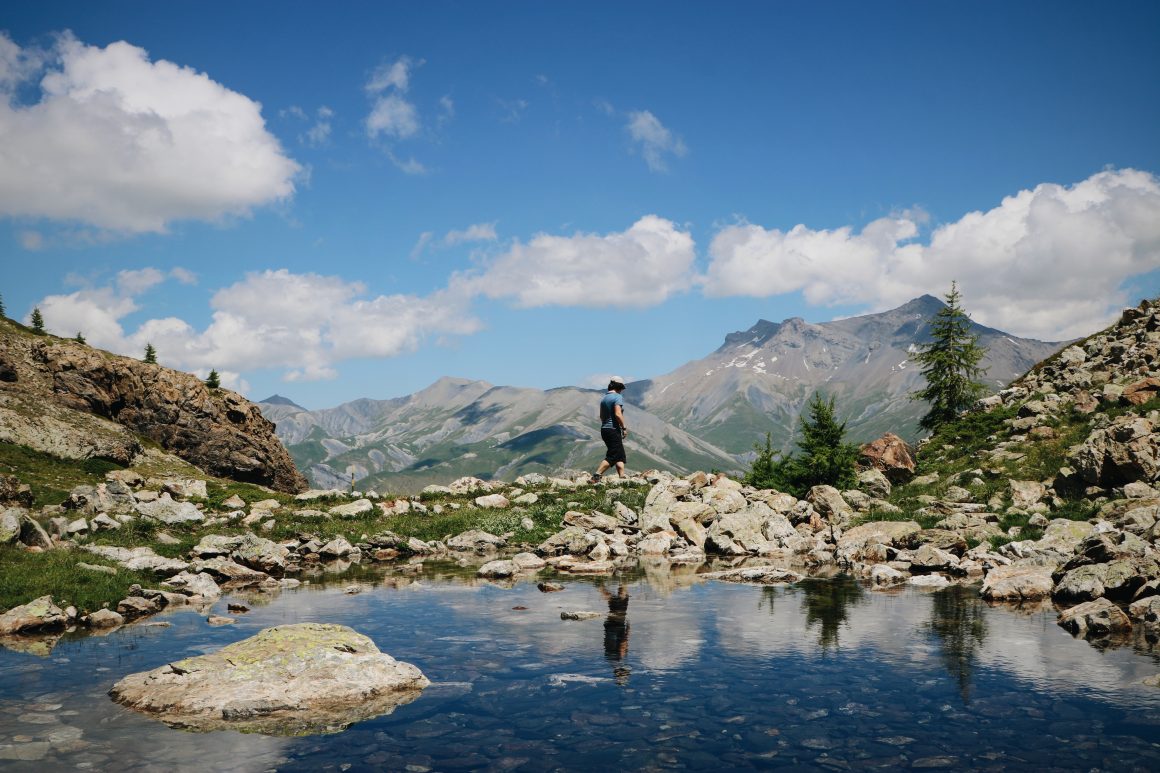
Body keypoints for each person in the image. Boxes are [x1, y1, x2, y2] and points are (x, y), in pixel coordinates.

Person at [590, 376, 628, 483]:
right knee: (613, 455)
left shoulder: (604, 399)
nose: (622, 390)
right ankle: (597, 475)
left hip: (604, 429)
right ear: (619, 387)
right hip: (613, 429)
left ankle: (622, 477)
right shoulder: (617, 397)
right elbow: (618, 414)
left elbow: (602, 416)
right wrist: (624, 427)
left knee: (619, 454)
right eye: (621, 388)